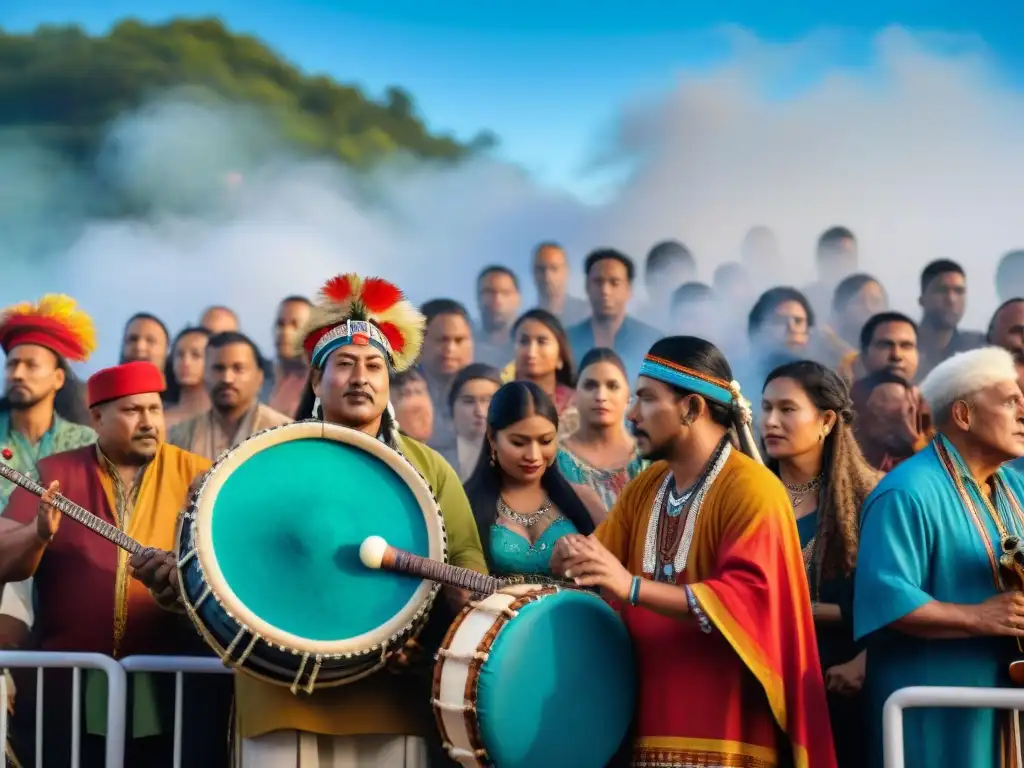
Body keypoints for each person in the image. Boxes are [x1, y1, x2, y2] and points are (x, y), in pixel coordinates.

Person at [137, 273, 488, 768]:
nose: (361, 377)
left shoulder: (428, 468)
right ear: (318, 381)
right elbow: (221, 563)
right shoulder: (260, 463)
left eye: (373, 366)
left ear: (389, 381)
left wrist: (435, 628)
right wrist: (175, 584)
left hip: (390, 693)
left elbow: (466, 557)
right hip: (279, 693)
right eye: (344, 365)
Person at [550, 336, 836, 768]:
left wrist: (630, 586)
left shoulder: (754, 489)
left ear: (693, 409)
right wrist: (570, 554)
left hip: (730, 733)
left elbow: (746, 599)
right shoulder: (647, 486)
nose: (631, 413)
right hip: (648, 720)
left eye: (646, 399)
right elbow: (597, 562)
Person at [0, 361, 221, 768]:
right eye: (133, 411)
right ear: (97, 418)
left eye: (154, 410)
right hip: (64, 686)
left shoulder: (200, 475)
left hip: (176, 683)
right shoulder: (54, 473)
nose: (148, 421)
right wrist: (37, 533)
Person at [854, 346, 1024, 768]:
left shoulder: (1015, 488)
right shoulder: (906, 491)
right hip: (930, 698)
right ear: (963, 416)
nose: (1023, 412)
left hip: (1004, 697)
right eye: (1010, 402)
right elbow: (884, 597)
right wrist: (977, 617)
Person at [760, 360, 879, 768]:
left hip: (840, 685)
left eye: (787, 409)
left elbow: (889, 603)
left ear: (827, 420)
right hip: (765, 684)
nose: (771, 421)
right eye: (766, 408)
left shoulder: (868, 499)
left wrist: (861, 660)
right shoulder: (748, 494)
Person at [464, 381, 602, 577]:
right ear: (492, 438)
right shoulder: (467, 505)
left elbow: (616, 577)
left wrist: (582, 565)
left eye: (545, 441)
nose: (534, 455)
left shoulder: (583, 500)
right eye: (519, 442)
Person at [0, 294, 98, 507]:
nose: (17, 374)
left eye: (31, 365)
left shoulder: (84, 444)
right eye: (11, 364)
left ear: (58, 378)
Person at [167, 331, 291, 459]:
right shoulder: (181, 436)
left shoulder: (285, 432)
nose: (227, 379)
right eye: (218, 368)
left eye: (238, 369)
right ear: (204, 375)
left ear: (259, 377)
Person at [556, 348, 645, 512]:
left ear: (628, 397)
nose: (601, 396)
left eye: (612, 386)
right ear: (575, 395)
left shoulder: (648, 461)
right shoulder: (552, 461)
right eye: (590, 385)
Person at [501, 309, 578, 434]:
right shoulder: (498, 402)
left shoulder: (576, 406)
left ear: (560, 356)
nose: (531, 352)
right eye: (524, 341)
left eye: (542, 342)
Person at [444, 363, 502, 480]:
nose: (480, 411)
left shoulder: (517, 460)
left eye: (488, 401)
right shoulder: (437, 460)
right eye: (468, 401)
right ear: (452, 411)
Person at [162, 326, 211, 427]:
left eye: (196, 355)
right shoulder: (158, 418)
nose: (185, 362)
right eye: (179, 355)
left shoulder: (228, 419)